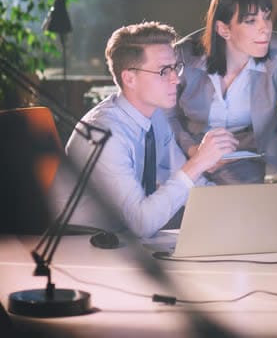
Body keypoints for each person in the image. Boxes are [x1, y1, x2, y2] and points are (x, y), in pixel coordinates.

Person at [50, 22, 238, 238]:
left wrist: (237, 209)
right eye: (164, 71)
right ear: (129, 78)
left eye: (175, 67)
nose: (176, 79)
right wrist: (199, 162)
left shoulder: (155, 117)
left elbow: (187, 180)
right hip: (78, 243)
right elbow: (141, 223)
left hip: (122, 240)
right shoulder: (104, 134)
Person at [166, 0, 277, 185]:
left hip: (242, 164)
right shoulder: (184, 56)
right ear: (223, 29)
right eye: (251, 21)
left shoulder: (275, 53)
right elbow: (165, 114)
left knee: (246, 199)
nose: (265, 28)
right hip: (183, 157)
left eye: (266, 17)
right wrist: (193, 151)